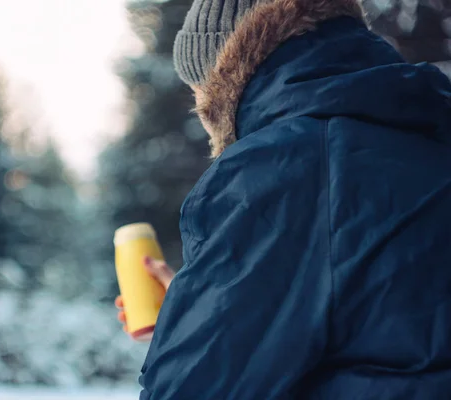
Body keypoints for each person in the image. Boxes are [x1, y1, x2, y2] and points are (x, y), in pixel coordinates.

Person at [116, 0, 451, 398]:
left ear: (223, 82)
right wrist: (198, 308)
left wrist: (194, 327)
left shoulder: (280, 166)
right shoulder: (427, 129)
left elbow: (191, 390)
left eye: (198, 92)